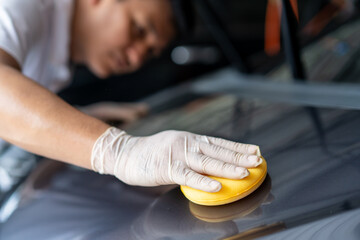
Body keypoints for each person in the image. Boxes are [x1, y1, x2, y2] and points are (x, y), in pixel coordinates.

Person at [0, 0, 262, 193]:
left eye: (149, 52)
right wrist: (118, 151)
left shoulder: (58, 49)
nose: (136, 58)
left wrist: (75, 119)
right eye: (138, 30)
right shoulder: (26, 5)